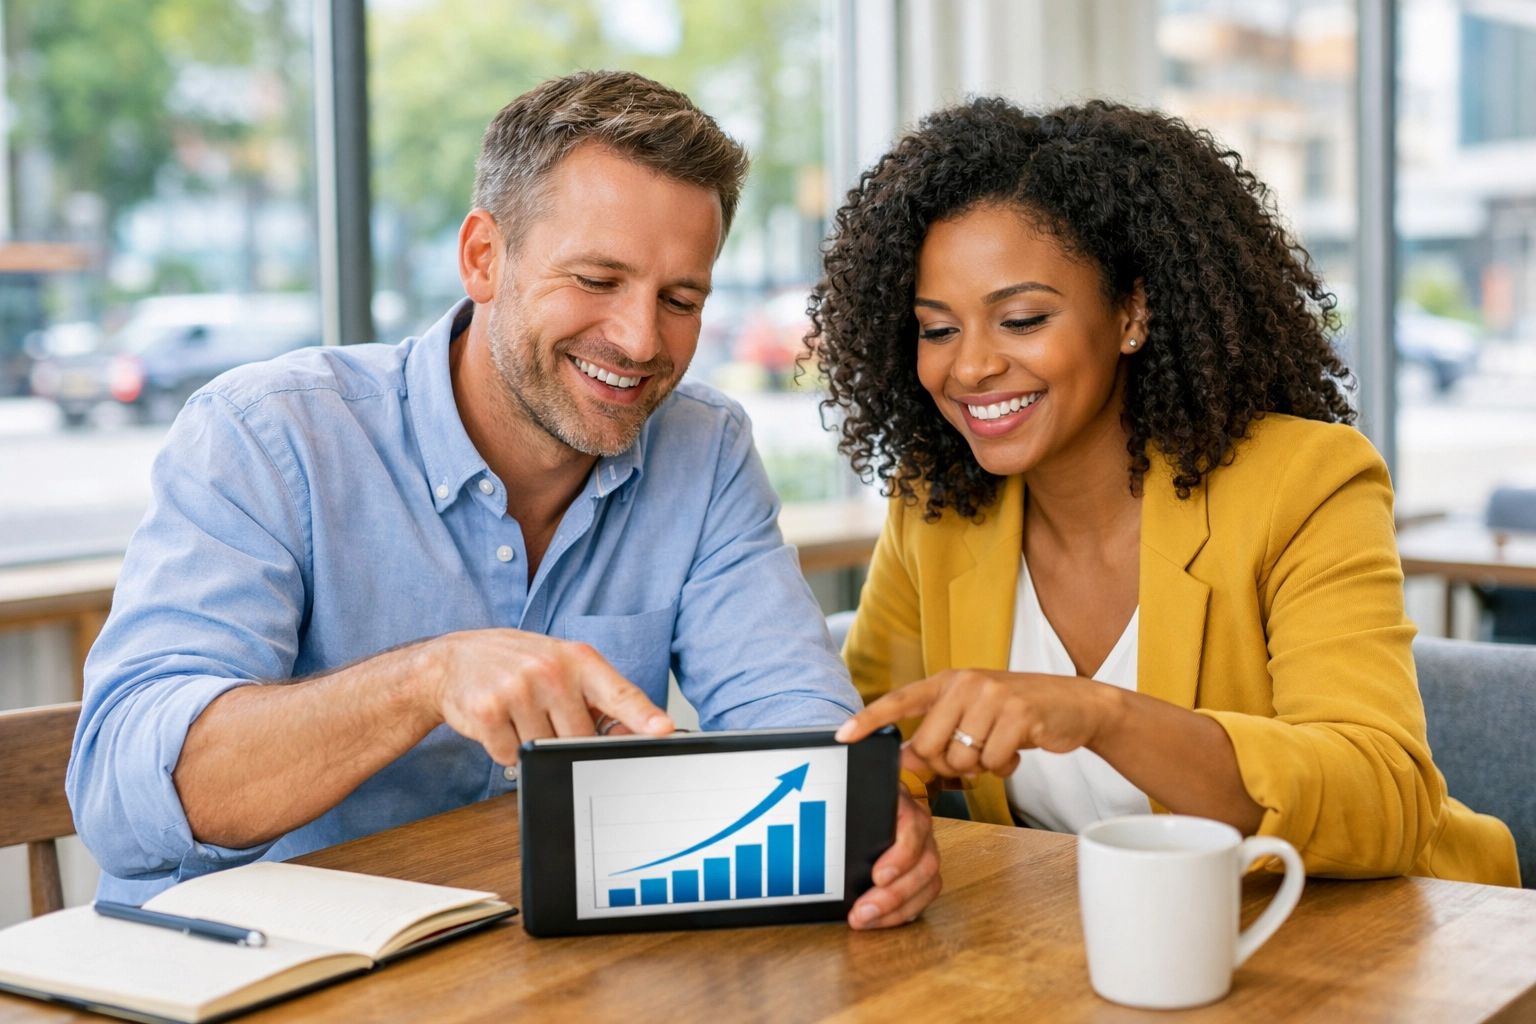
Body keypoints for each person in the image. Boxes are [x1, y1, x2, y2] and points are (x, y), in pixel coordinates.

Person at [68, 70, 940, 928]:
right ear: (484, 258)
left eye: (680, 299)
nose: (640, 340)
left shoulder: (703, 447)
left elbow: (788, 711)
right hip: (244, 977)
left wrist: (861, 812)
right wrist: (426, 678)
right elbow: (120, 793)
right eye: (597, 280)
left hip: (514, 972)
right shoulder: (267, 434)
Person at [820, 98, 1518, 885]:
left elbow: (1383, 797)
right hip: (1086, 951)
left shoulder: (1306, 482)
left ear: (1133, 312)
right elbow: (866, 740)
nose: (970, 367)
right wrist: (894, 794)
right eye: (938, 329)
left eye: (1020, 319)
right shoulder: (935, 506)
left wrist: (1099, 714)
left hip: (1368, 942)